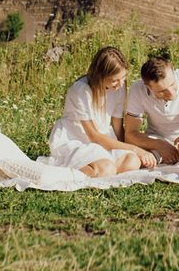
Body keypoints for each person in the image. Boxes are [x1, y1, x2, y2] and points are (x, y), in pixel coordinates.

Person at [48, 46, 156, 177]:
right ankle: (79, 169)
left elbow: (117, 128)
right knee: (107, 169)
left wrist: (131, 151)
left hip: (105, 137)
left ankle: (101, 168)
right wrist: (135, 149)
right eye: (115, 80)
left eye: (123, 77)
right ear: (100, 76)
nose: (121, 83)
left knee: (132, 162)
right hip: (78, 138)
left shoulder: (119, 88)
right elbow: (93, 135)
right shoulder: (81, 90)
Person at [124, 55, 179, 165]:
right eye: (161, 91)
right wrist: (158, 144)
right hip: (156, 138)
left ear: (174, 72)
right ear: (147, 87)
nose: (171, 93)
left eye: (172, 84)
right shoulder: (137, 89)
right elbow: (130, 134)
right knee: (137, 161)